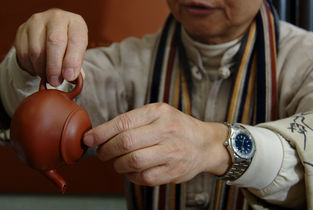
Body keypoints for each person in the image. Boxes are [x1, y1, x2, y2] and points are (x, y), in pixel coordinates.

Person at [0, 0, 312, 209]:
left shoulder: (306, 59)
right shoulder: (126, 62)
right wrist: (32, 64)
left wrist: (220, 147)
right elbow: (26, 106)